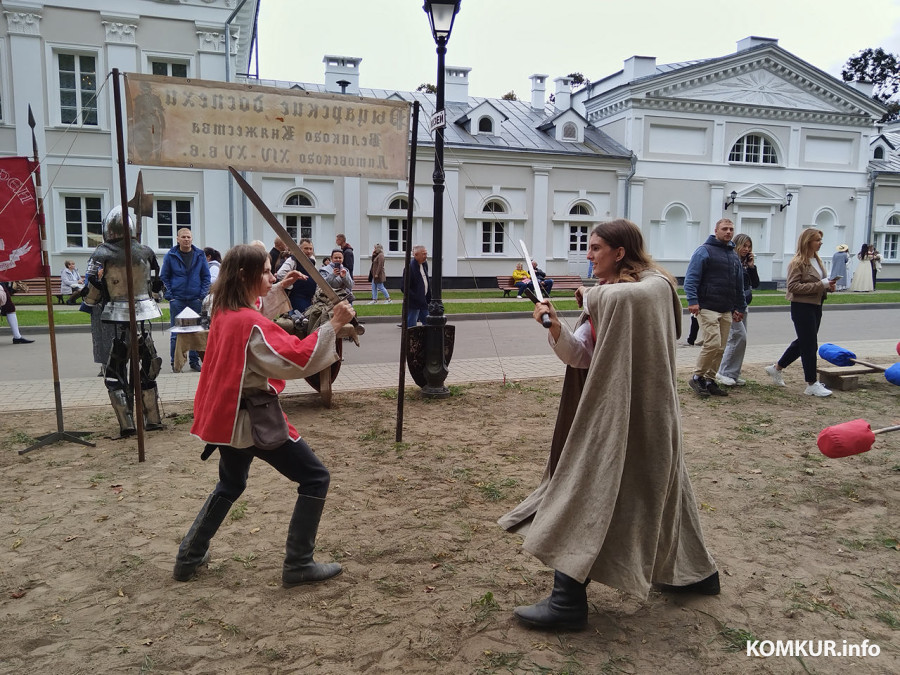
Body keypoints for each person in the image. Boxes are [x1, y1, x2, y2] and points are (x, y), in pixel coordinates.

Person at [499, 219, 719, 631]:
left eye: (596, 247)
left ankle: (567, 602)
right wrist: (556, 327)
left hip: (644, 414)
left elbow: (631, 298)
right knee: (659, 490)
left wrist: (596, 296)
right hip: (611, 409)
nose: (589, 254)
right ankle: (696, 573)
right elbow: (581, 355)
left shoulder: (652, 286)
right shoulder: (607, 297)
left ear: (620, 252)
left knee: (587, 488)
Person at [173, 244, 356, 587]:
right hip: (252, 419)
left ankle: (188, 557)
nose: (271, 276)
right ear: (244, 276)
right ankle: (299, 563)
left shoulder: (226, 311)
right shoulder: (246, 322)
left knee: (230, 483)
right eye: (266, 272)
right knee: (316, 478)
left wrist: (278, 286)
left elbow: (255, 315)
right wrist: (332, 324)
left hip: (227, 417)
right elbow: (295, 358)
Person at [82, 207, 165, 435]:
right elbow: (157, 284)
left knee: (115, 368)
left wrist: (88, 301)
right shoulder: (145, 251)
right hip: (143, 310)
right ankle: (152, 419)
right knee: (149, 363)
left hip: (117, 311)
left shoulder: (101, 253)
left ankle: (128, 424)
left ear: (108, 229)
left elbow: (93, 284)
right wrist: (154, 297)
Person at [764, 228, 836, 397]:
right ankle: (811, 383)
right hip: (801, 306)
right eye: (817, 239)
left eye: (820, 239)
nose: (820, 242)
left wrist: (829, 287)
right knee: (810, 344)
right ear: (807, 241)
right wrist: (821, 285)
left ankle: (777, 368)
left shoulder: (817, 260)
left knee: (804, 341)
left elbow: (820, 283)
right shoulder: (797, 262)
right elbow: (792, 287)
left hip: (816, 305)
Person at [683, 218, 746, 397]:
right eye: (724, 229)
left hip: (726, 308)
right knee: (712, 343)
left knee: (721, 347)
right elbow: (691, 278)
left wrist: (739, 307)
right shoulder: (704, 251)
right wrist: (693, 300)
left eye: (731, 229)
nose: (728, 232)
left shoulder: (733, 255)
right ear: (716, 230)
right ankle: (697, 377)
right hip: (707, 306)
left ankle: (710, 380)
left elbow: (738, 284)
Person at [160, 228, 210, 372]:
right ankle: (175, 363)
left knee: (199, 332)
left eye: (189, 237)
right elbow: (164, 276)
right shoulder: (171, 255)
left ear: (192, 239)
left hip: (197, 300)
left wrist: (202, 296)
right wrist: (171, 295)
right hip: (178, 300)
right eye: (183, 237)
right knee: (176, 333)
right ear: (178, 239)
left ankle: (195, 362)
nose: (186, 239)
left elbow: (206, 277)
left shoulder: (200, 255)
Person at [715, 234, 760, 386]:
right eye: (744, 246)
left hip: (743, 305)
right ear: (737, 245)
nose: (746, 249)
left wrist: (752, 267)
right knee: (738, 337)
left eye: (749, 247)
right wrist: (734, 308)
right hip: (732, 306)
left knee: (741, 339)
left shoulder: (746, 264)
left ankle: (733, 373)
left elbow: (756, 283)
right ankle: (723, 372)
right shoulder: (731, 261)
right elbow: (729, 286)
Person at [276, 238, 317, 312]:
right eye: (306, 248)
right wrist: (291, 285)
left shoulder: (313, 260)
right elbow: (280, 274)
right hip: (297, 297)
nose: (309, 251)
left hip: (309, 298)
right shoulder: (292, 260)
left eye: (311, 249)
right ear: (300, 249)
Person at [402, 245, 431, 327]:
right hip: (414, 303)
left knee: (428, 322)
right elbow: (404, 287)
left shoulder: (424, 265)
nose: (425, 256)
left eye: (426, 254)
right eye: (423, 254)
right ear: (416, 255)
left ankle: (428, 338)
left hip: (423, 301)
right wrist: (415, 296)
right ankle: (410, 339)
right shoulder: (410, 267)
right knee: (411, 325)